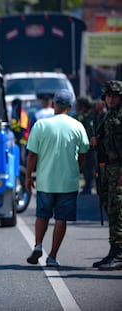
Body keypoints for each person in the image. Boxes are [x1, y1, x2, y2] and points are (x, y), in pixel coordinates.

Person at [25, 89, 90, 267]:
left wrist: (28, 177)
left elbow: (32, 155)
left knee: (42, 215)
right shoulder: (77, 126)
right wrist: (77, 169)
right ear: (70, 107)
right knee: (61, 218)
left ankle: (38, 245)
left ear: (53, 104)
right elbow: (84, 153)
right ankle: (52, 256)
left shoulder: (41, 125)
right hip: (68, 182)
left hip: (45, 181)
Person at [89, 80, 122, 270]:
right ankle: (113, 251)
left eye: (115, 95)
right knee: (111, 210)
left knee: (118, 212)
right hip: (108, 169)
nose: (111, 99)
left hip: (119, 169)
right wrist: (95, 141)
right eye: (108, 96)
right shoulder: (107, 117)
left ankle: (119, 254)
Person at [74, 96, 96, 194]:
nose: (76, 106)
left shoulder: (89, 116)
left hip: (89, 147)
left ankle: (89, 185)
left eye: (78, 104)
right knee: (85, 166)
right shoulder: (84, 115)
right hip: (84, 145)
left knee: (89, 167)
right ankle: (88, 184)